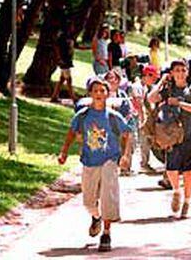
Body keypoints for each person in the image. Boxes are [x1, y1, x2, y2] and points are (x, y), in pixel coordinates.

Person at [58, 76, 133, 252]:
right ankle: (96, 217)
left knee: (108, 197)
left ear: (107, 94)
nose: (99, 94)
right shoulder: (82, 116)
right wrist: (64, 152)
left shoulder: (114, 116)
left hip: (109, 160)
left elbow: (126, 134)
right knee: (88, 201)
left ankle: (106, 234)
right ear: (90, 93)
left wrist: (125, 155)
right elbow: (71, 132)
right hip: (90, 161)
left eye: (102, 91)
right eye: (96, 91)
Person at [148, 59, 191, 219]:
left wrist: (180, 103)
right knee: (171, 169)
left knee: (188, 172)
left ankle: (186, 202)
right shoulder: (168, 89)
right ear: (171, 73)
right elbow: (151, 98)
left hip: (190, 135)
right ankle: (176, 191)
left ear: (187, 72)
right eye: (176, 70)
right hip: (171, 137)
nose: (180, 73)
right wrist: (161, 81)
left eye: (183, 70)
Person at [131, 65, 161, 173]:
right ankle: (141, 164)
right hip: (135, 117)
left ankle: (145, 162)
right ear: (147, 75)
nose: (154, 81)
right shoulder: (137, 86)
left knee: (145, 141)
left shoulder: (145, 87)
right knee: (140, 141)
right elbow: (139, 103)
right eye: (153, 78)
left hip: (142, 116)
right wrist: (143, 117)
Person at [50, 23, 77, 103]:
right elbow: (57, 47)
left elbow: (75, 46)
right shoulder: (62, 37)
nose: (73, 28)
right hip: (64, 60)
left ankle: (54, 96)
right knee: (69, 79)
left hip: (68, 60)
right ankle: (73, 97)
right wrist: (59, 58)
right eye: (71, 26)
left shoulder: (71, 37)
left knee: (62, 79)